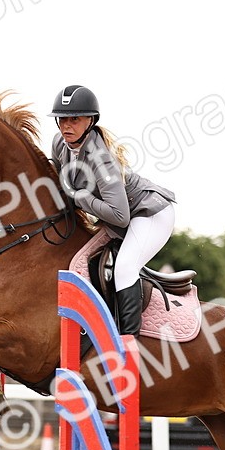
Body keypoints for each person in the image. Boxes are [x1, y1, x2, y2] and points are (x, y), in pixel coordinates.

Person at [49, 84, 176, 336]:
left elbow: (120, 215)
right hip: (118, 218)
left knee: (125, 267)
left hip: (149, 213)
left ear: (90, 121)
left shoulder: (101, 158)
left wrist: (81, 198)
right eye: (62, 119)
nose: (66, 125)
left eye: (75, 119)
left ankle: (128, 341)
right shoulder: (60, 144)